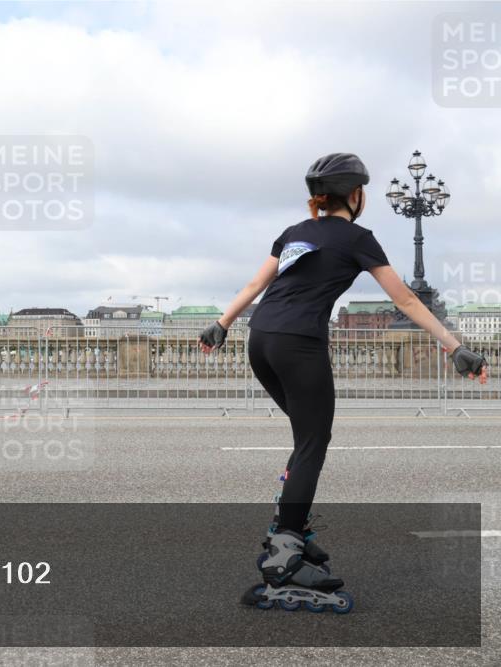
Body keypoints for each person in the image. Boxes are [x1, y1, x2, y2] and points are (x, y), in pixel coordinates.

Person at [198, 153, 488, 609]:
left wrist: (220, 323)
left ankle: (292, 527)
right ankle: (285, 552)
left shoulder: (294, 233)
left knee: (305, 439)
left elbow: (255, 285)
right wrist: (455, 347)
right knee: (314, 442)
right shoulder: (358, 237)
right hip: (298, 344)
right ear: (356, 196)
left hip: (261, 339)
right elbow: (407, 300)